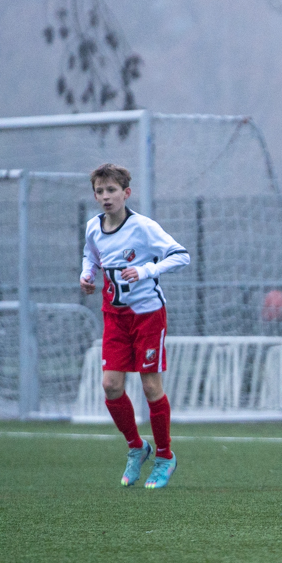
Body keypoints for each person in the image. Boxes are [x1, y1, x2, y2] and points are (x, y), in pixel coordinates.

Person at [80, 163, 190, 489]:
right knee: (111, 386)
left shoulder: (142, 227)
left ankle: (165, 456)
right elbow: (91, 256)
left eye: (111, 190)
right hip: (114, 316)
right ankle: (136, 447)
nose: (105, 197)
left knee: (150, 387)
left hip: (147, 315)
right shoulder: (93, 228)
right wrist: (86, 276)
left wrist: (145, 271)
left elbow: (180, 255)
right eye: (100, 191)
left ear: (126, 193)